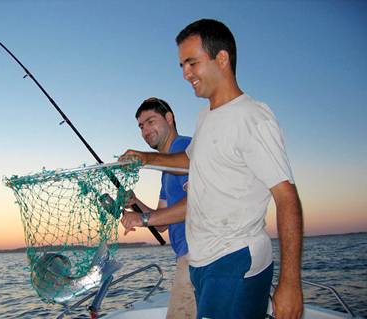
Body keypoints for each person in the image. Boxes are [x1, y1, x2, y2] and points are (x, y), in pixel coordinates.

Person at [120, 19, 304, 319]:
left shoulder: (252, 117)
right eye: (181, 65)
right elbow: (190, 161)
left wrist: (290, 283)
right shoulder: (206, 116)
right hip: (201, 261)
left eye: (192, 63)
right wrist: (145, 158)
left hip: (234, 258)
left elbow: (287, 198)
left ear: (222, 58)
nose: (185, 74)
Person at [121, 97, 197, 318]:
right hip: (184, 256)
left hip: (199, 254)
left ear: (169, 118)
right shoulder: (166, 172)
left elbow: (197, 203)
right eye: (141, 126)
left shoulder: (186, 148)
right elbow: (162, 223)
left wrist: (141, 220)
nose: (145, 130)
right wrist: (135, 202)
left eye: (150, 121)